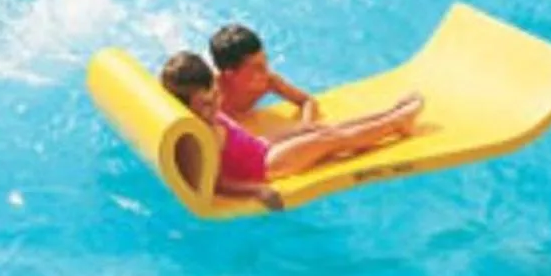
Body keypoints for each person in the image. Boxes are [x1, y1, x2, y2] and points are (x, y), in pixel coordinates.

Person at [160, 52, 426, 212]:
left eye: (215, 94)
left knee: (320, 129)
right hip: (267, 165)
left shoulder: (204, 105)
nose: (215, 103)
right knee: (330, 140)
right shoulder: (201, 134)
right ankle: (396, 123)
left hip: (259, 147)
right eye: (206, 103)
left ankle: (390, 112)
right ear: (187, 106)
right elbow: (218, 183)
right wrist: (256, 191)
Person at [211, 23, 321, 124]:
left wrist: (306, 126)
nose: (266, 70)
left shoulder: (268, 81)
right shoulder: (210, 90)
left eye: (265, 62)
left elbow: (307, 100)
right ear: (230, 74)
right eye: (257, 68)